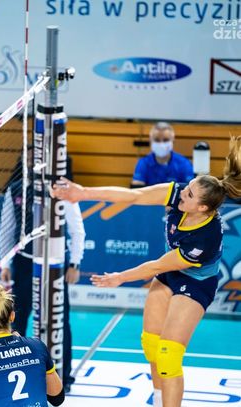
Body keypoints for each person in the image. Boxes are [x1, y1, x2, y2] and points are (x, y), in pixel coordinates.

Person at [50, 136, 241, 407]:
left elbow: (158, 265)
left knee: (168, 355)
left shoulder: (205, 238)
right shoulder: (180, 195)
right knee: (151, 345)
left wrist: (119, 278)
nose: (181, 193)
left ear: (202, 208)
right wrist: (83, 192)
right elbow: (135, 195)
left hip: (196, 283)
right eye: (186, 188)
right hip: (169, 274)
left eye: (189, 194)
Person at [0, 149, 85, 392]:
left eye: (37, 159)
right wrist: (5, 264)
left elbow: (77, 229)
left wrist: (74, 263)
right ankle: (15, 370)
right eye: (29, 159)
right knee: (17, 318)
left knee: (59, 319)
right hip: (25, 263)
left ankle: (63, 376)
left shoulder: (62, 189)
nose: (33, 163)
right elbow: (7, 230)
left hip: (55, 264)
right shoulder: (16, 189)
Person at [132, 122, 194, 187]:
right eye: (157, 140)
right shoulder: (143, 163)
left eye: (165, 140)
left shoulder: (184, 164)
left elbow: (190, 189)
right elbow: (136, 189)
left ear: (173, 140)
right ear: (151, 140)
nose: (161, 144)